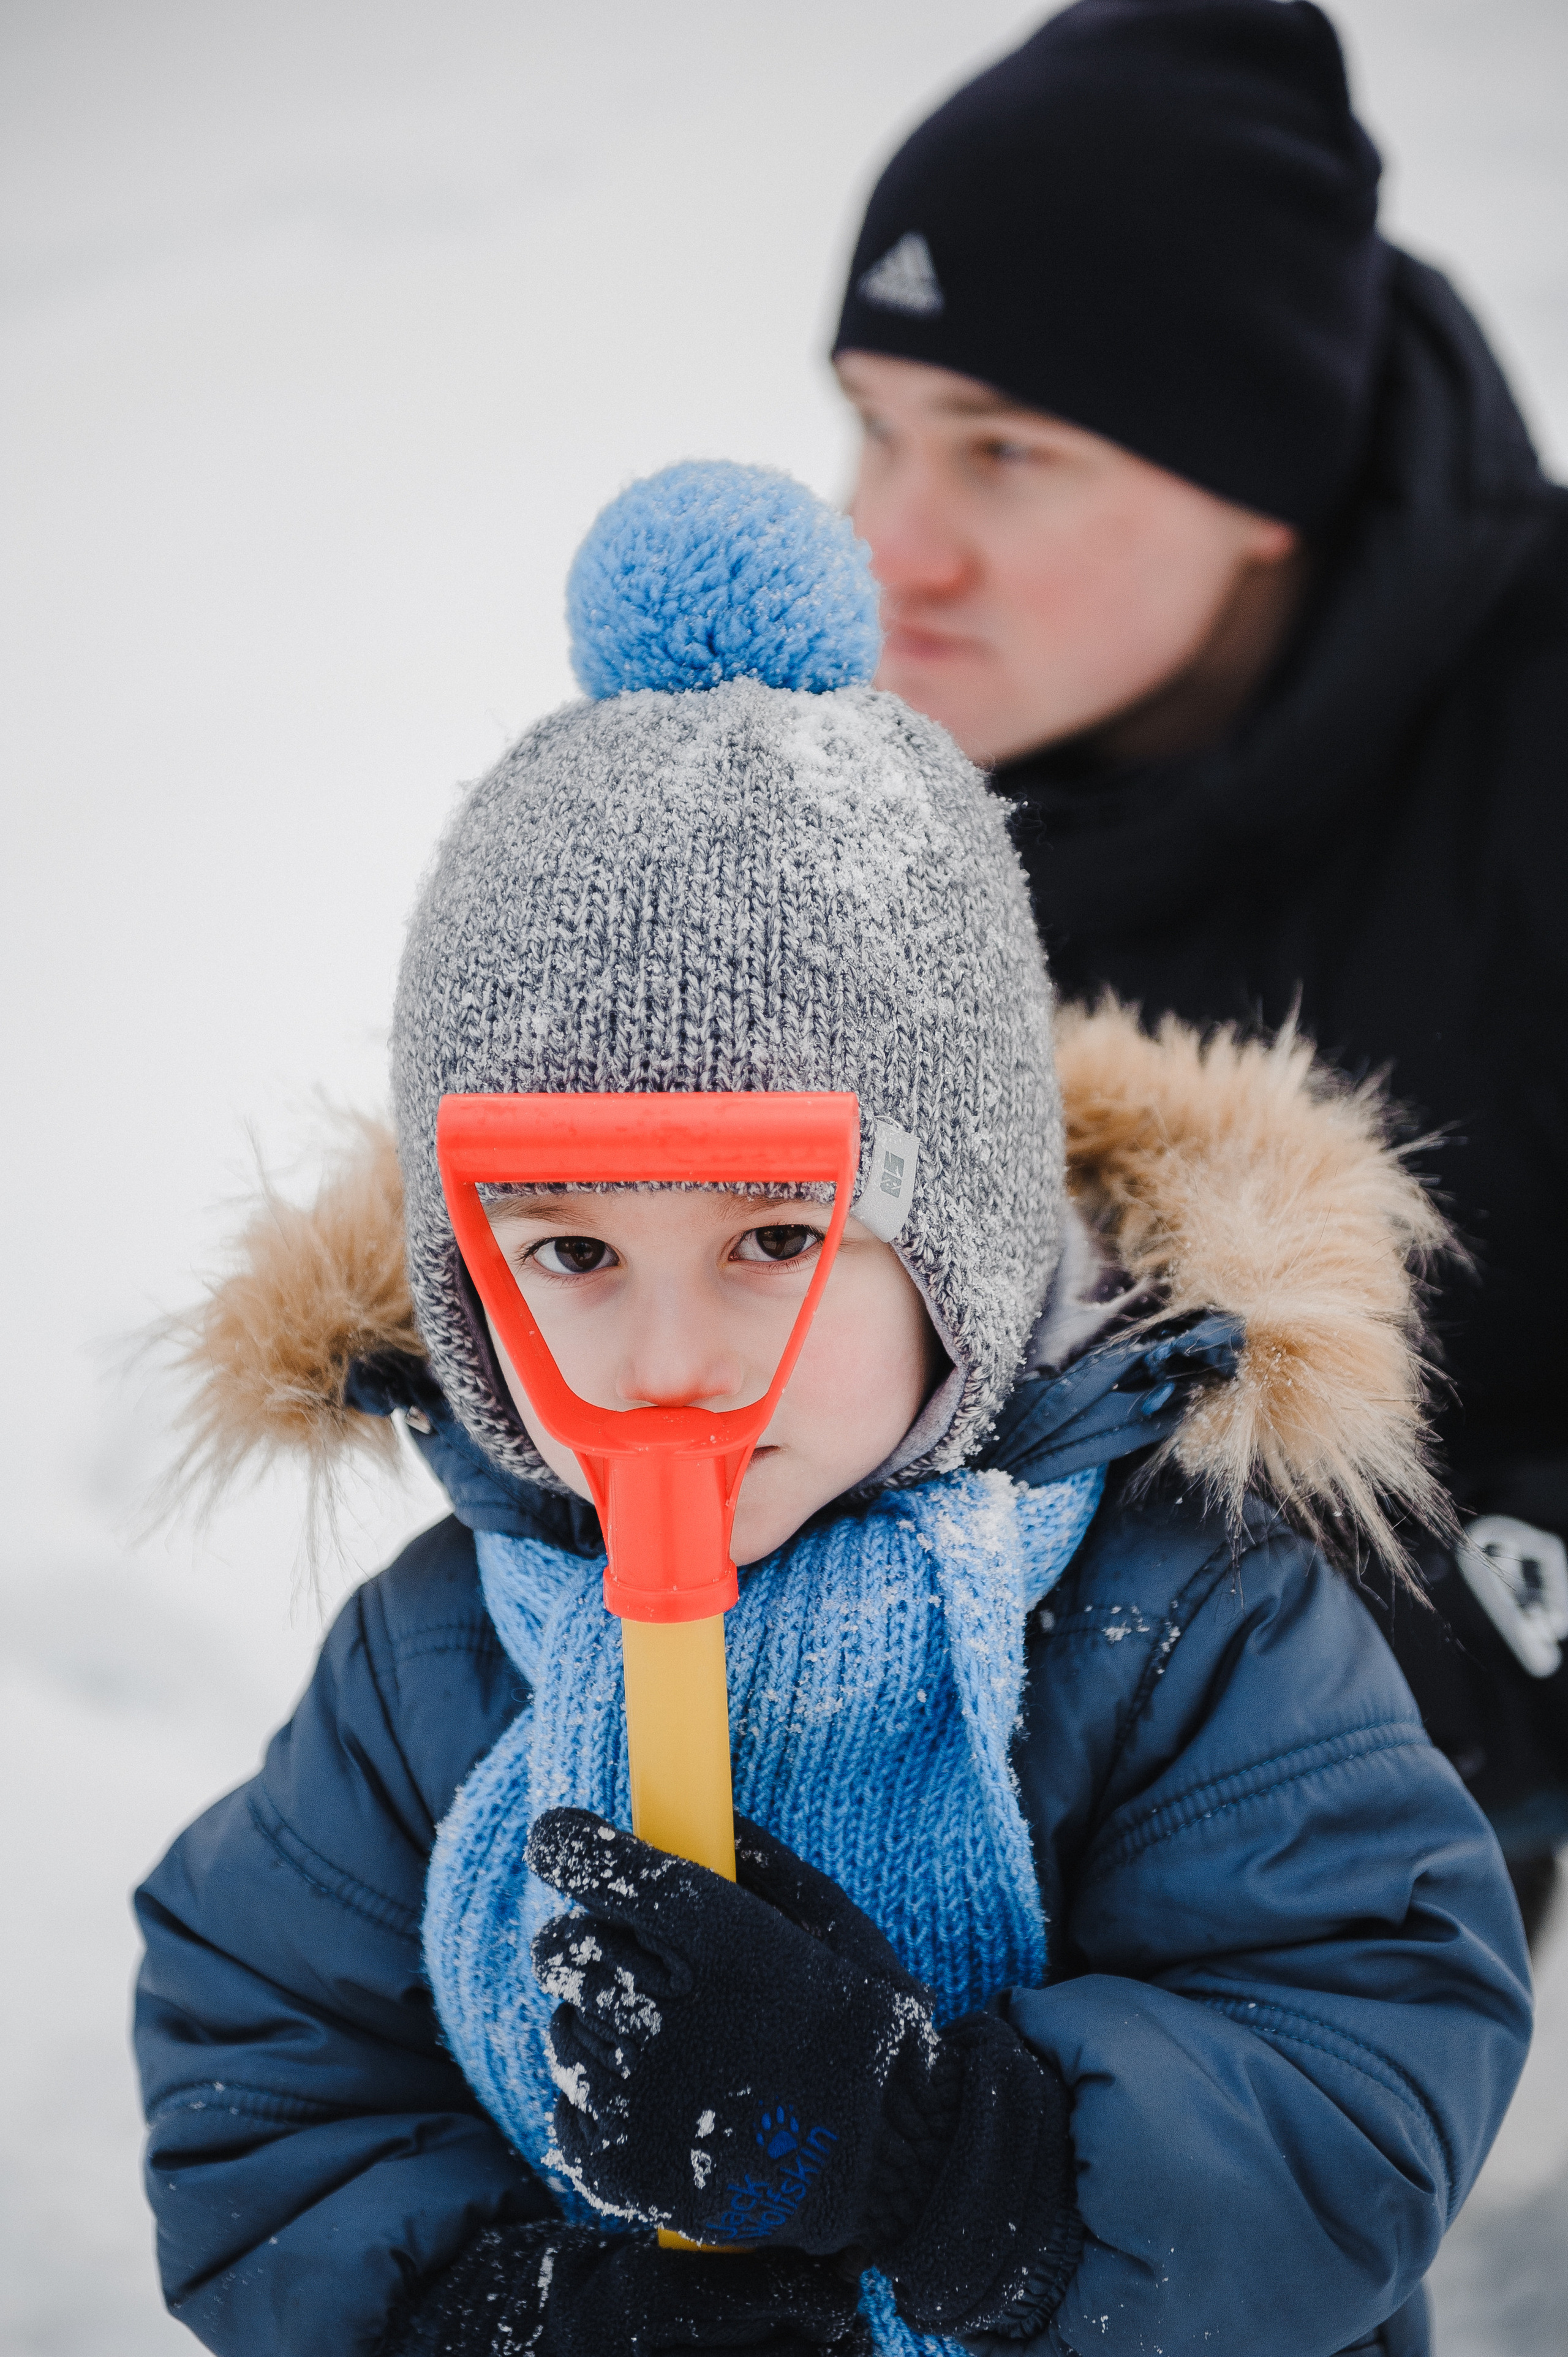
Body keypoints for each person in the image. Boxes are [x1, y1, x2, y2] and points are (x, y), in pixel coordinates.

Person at [135, 463, 1529, 2357]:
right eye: (572, 1257)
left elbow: (1365, 2061)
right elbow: (260, 2060)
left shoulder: (1182, 1619)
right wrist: (504, 2313)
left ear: (949, 1238)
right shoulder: (449, 1655)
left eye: (777, 1235)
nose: (669, 1364)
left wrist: (938, 2160)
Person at [831, 0, 1568, 1942]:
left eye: (1007, 451)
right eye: (877, 426)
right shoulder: (867, 774)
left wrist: (1416, 1646)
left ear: (1268, 485)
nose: (886, 543)